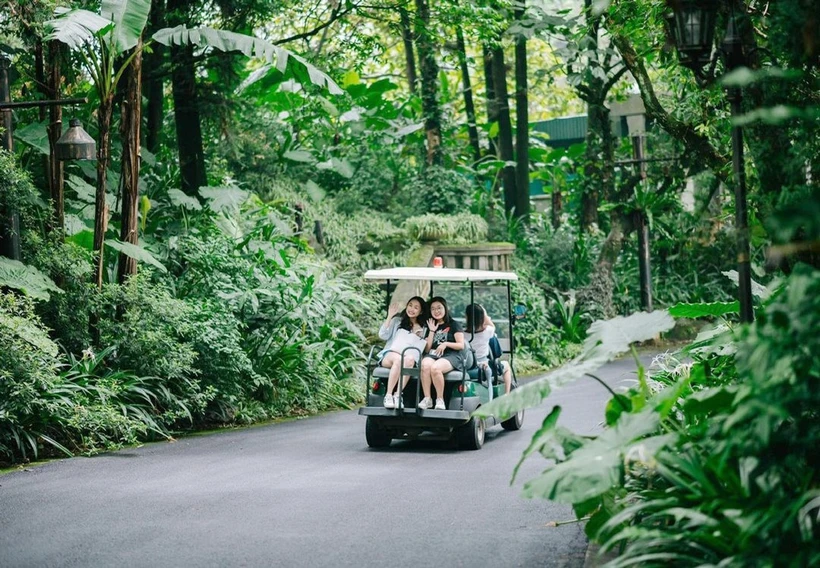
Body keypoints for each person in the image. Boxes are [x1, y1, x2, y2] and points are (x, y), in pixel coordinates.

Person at [377, 296, 429, 409]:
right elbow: (382, 335)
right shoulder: (397, 321)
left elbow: (423, 348)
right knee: (399, 360)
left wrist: (420, 337)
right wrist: (390, 316)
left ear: (421, 311)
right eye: (410, 305)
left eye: (416, 307)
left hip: (408, 358)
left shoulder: (423, 328)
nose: (412, 309)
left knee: (409, 360)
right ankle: (389, 395)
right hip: (390, 354)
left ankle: (397, 395)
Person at [419, 297, 465, 410]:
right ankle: (427, 398)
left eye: (439, 308)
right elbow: (427, 349)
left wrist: (446, 344)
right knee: (425, 365)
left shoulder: (454, 324)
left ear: (445, 308)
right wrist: (431, 331)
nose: (436, 311)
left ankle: (440, 400)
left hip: (451, 355)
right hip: (434, 354)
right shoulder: (430, 324)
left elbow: (461, 345)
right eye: (433, 309)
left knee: (435, 368)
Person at [464, 303, 512, 394]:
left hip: (468, 366)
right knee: (506, 366)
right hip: (484, 365)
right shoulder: (488, 331)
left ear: (467, 317)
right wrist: (484, 313)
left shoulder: (462, 334)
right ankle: (507, 394)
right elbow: (491, 325)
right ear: (482, 317)